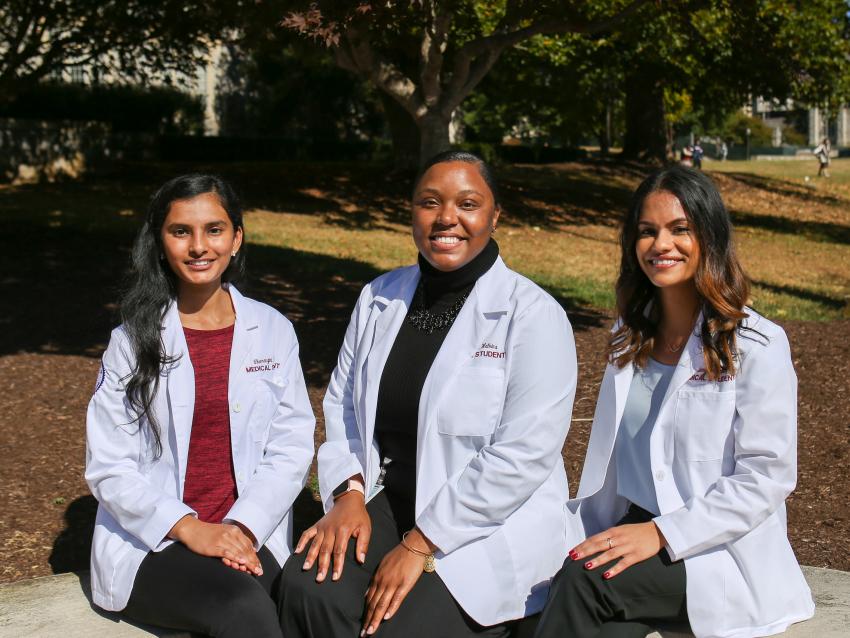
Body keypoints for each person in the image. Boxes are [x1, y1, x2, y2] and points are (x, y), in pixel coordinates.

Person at [278, 151, 579, 638]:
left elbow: (522, 456)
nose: (447, 218)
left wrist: (420, 545)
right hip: (389, 498)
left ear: (494, 215)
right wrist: (348, 495)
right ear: (412, 211)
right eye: (430, 202)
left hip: (484, 526)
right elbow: (342, 407)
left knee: (396, 628)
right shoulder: (380, 297)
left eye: (468, 203)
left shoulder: (533, 316)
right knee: (308, 589)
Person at [535, 165, 814, 638]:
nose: (661, 244)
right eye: (648, 232)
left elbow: (766, 477)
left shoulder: (757, 344)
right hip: (633, 526)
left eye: (680, 229)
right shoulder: (630, 332)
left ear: (709, 236)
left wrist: (662, 533)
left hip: (712, 547)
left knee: (585, 582)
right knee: (540, 580)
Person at [85, 174, 315, 638]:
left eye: (214, 229)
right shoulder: (131, 342)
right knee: (244, 611)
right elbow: (109, 467)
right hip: (157, 543)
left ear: (237, 238)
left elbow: (291, 448)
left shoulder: (272, 330)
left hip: (248, 531)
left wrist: (242, 529)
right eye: (180, 231)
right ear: (161, 241)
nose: (198, 246)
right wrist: (191, 528)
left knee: (313, 603)